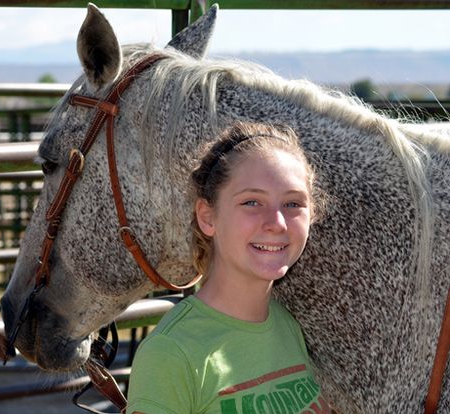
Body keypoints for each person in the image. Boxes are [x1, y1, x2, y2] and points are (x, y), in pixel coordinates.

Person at [126, 121, 329, 414]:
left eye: (293, 204)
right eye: (252, 202)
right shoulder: (171, 354)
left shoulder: (288, 325)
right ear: (208, 218)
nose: (277, 223)